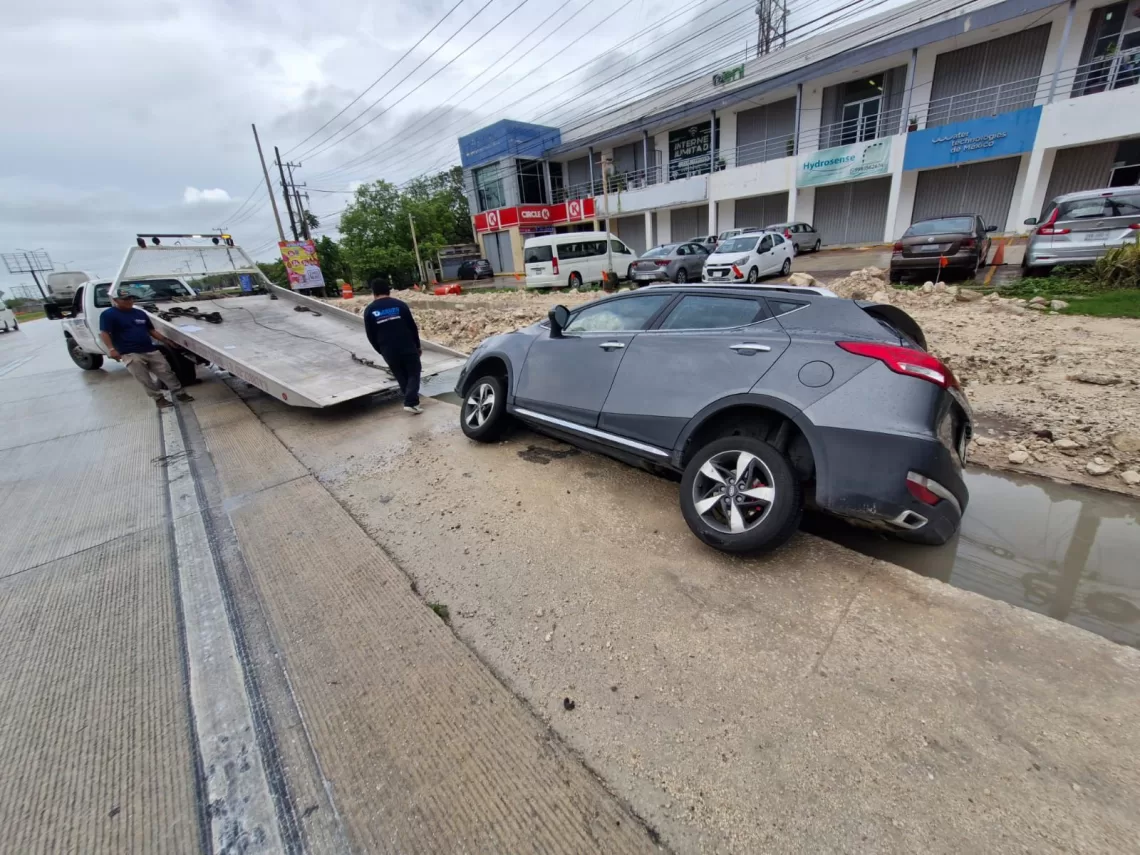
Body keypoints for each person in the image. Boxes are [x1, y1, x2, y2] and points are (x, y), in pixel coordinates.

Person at [99, 291, 194, 409]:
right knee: (144, 378)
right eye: (125, 299)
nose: (129, 301)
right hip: (129, 352)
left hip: (149, 349)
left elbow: (151, 330)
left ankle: (180, 393)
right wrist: (112, 349)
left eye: (130, 298)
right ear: (116, 300)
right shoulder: (109, 315)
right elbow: (104, 333)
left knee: (166, 371)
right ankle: (159, 399)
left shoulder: (139, 313)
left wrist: (167, 341)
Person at [364, 277, 423, 414]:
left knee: (400, 375)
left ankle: (411, 402)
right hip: (407, 345)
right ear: (388, 290)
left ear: (374, 292)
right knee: (414, 372)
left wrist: (380, 350)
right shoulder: (400, 305)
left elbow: (370, 334)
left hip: (387, 349)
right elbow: (412, 327)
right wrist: (417, 346)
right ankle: (410, 402)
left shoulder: (369, 310)